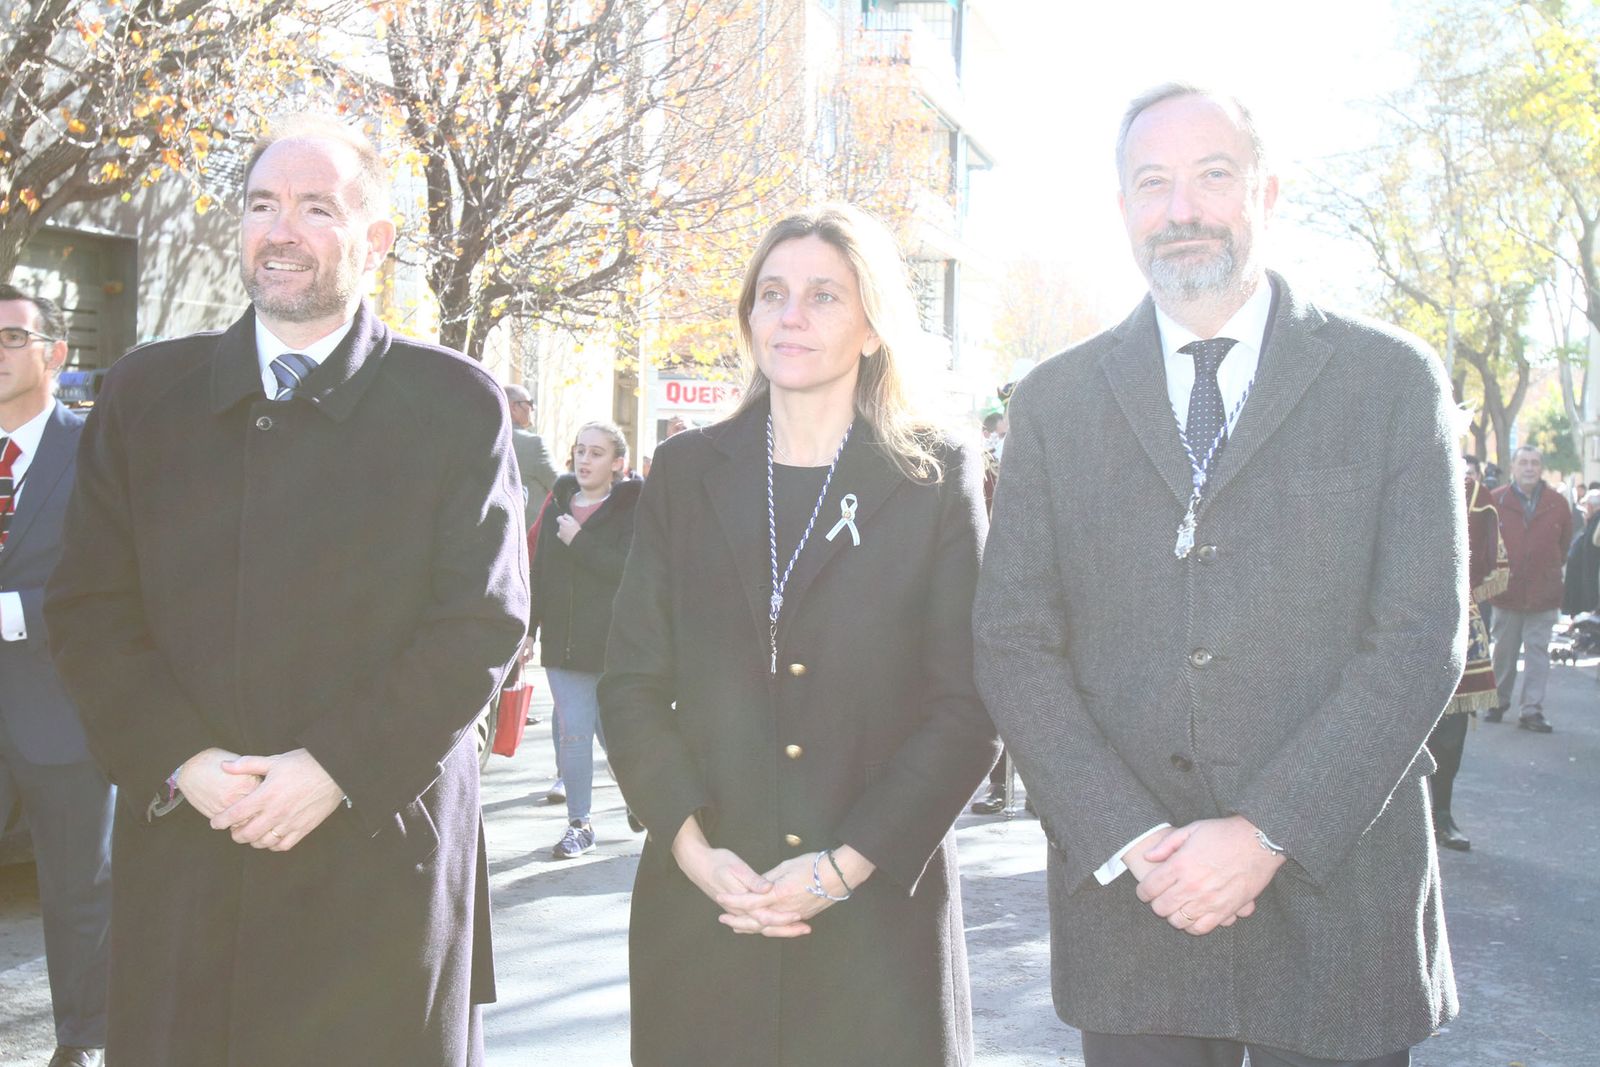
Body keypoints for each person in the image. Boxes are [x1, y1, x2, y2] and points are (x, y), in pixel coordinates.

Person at [974, 84, 1462, 1067]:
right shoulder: (1053, 404)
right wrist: (1129, 837)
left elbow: (1418, 637)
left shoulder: (1391, 382)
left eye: (1212, 175)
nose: (1182, 206)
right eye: (1151, 182)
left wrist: (1268, 830)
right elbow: (1012, 638)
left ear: (1265, 192)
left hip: (1338, 908)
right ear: (1120, 210)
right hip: (1132, 902)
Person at [42, 115, 528, 1065]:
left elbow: (480, 622)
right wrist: (182, 759)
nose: (282, 230)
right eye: (263, 205)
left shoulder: (453, 403)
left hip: (379, 855)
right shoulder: (147, 394)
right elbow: (90, 609)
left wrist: (336, 767)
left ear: (375, 240)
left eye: (316, 207)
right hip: (191, 845)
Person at [599, 203, 999, 1065]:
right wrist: (694, 852)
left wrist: (839, 868)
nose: (790, 314)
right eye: (772, 292)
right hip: (706, 908)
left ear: (871, 327)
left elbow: (967, 705)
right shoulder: (686, 470)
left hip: (876, 920)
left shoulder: (933, 474)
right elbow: (630, 682)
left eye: (824, 295)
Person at [0, 286, 112, 1067]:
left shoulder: (97, 451)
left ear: (55, 354)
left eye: (11, 335)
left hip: (63, 713)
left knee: (79, 891)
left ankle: (83, 1038)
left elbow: (112, 579)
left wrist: (11, 613)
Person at [528, 420, 640, 858]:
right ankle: (580, 824)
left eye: (597, 453)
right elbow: (539, 572)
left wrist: (580, 541)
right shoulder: (557, 505)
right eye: (580, 450)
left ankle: (640, 800)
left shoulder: (632, 509)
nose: (585, 460)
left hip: (615, 644)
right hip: (564, 645)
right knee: (574, 732)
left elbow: (631, 570)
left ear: (617, 463)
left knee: (616, 735)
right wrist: (528, 631)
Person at [1428, 471, 1509, 851]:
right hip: (1380, 618)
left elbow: (1490, 561)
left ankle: (1440, 815)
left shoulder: (1474, 491)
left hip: (1455, 619)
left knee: (1449, 733)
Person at [1487, 445, 1570, 732]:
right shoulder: (1496, 500)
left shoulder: (1557, 503)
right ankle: (1498, 701)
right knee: (1504, 652)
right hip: (1507, 592)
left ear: (1541, 468)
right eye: (1523, 462)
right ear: (1513, 467)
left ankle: (1531, 710)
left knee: (1538, 652)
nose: (1529, 468)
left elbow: (1564, 544)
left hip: (1543, 593)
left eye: (1535, 463)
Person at [503, 382, 558, 527]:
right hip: (529, 535)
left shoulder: (484, 439)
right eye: (529, 403)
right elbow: (559, 486)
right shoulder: (534, 444)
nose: (533, 408)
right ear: (514, 407)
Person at [1561, 487, 1600, 617]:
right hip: (1586, 586)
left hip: (1590, 588)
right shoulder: (1592, 523)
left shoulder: (1596, 523)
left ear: (1590, 506)